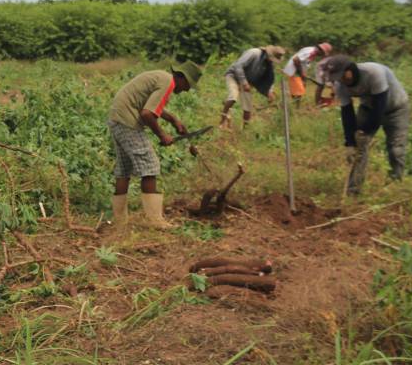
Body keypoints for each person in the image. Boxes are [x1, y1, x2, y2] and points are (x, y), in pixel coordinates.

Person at [106, 61, 203, 229]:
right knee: (150, 166)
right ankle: (154, 220)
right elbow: (147, 113)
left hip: (117, 118)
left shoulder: (160, 76)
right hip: (128, 121)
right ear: (182, 78)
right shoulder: (168, 82)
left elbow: (149, 106)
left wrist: (173, 120)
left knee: (124, 170)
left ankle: (120, 220)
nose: (186, 90)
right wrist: (162, 135)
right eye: (188, 85)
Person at [321, 54, 410, 195]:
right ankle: (353, 190)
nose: (342, 81)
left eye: (343, 76)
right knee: (358, 150)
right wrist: (350, 142)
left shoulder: (374, 73)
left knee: (396, 150)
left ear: (350, 69)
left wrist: (366, 132)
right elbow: (347, 113)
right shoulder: (340, 86)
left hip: (396, 109)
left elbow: (379, 108)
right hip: (368, 108)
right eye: (338, 78)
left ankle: (396, 183)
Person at [219, 45, 284, 128]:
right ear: (269, 54)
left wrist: (269, 92)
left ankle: (246, 129)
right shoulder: (254, 53)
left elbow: (269, 79)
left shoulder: (269, 64)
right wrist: (244, 82)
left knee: (247, 107)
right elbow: (238, 66)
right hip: (233, 76)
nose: (272, 61)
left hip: (247, 82)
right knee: (233, 96)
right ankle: (222, 121)